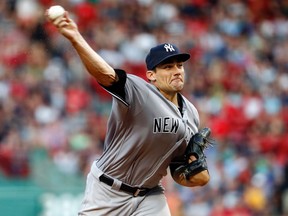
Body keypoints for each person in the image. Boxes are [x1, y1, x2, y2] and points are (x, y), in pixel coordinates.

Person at [46, 8, 210, 216]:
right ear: (151, 75)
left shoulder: (191, 113)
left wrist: (193, 174)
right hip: (108, 190)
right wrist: (76, 38)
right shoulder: (139, 91)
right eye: (168, 67)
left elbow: (177, 167)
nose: (177, 70)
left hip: (150, 195)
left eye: (179, 65)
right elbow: (106, 74)